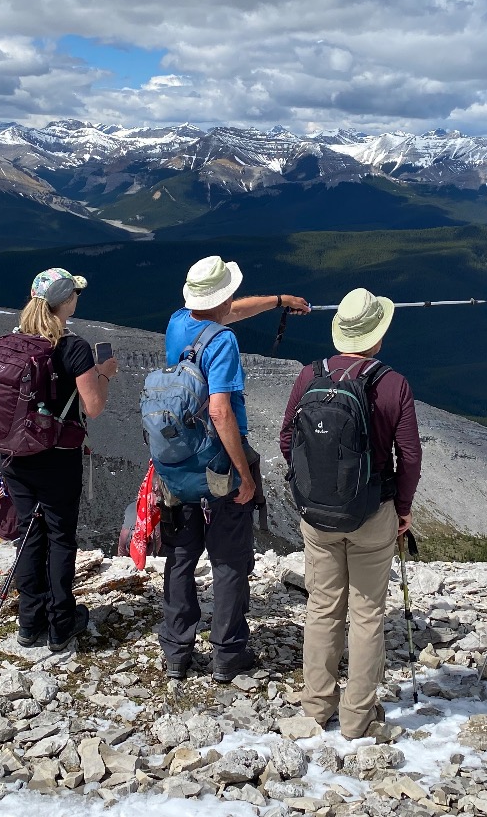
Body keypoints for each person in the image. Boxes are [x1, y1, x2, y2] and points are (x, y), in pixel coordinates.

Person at [159, 254, 310, 682]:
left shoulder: (177, 322)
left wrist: (278, 301)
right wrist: (244, 473)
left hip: (176, 460)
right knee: (228, 559)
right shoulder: (222, 342)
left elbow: (228, 311)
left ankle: (176, 651)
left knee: (181, 554)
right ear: (222, 297)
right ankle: (227, 653)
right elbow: (220, 411)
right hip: (218, 461)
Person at [280, 287, 423, 738]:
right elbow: (410, 456)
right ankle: (357, 718)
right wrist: (402, 509)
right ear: (376, 336)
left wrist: (311, 487)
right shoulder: (393, 383)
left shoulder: (310, 375)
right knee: (366, 615)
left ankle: (315, 706)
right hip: (374, 512)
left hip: (317, 515)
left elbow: (287, 440)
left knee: (322, 608)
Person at [0, 268, 118, 652]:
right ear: (67, 300)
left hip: (15, 457)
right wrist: (104, 374)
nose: (77, 299)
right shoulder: (73, 347)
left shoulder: (11, 342)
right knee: (60, 537)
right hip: (58, 457)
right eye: (75, 293)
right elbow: (93, 407)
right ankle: (60, 623)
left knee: (28, 535)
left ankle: (29, 621)